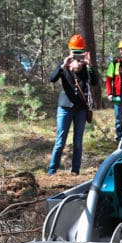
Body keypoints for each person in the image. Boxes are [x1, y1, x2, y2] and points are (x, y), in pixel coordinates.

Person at [47, 34, 97, 175]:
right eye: (75, 52)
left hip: (80, 109)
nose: (77, 56)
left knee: (78, 142)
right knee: (60, 141)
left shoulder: (86, 68)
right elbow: (52, 78)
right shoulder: (64, 65)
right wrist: (64, 64)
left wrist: (89, 64)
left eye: (80, 52)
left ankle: (75, 170)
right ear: (70, 51)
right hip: (65, 107)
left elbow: (94, 82)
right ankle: (52, 170)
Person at [105, 39, 122, 142]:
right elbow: (108, 79)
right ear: (119, 51)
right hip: (118, 95)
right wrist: (110, 93)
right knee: (119, 119)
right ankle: (120, 137)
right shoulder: (114, 63)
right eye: (121, 50)